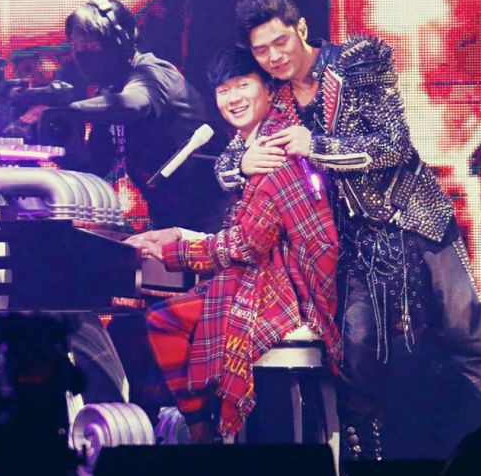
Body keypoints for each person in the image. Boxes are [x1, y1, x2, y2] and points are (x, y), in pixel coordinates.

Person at [215, 0, 481, 460]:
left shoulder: (357, 63)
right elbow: (227, 162)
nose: (274, 57)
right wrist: (242, 162)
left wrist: (316, 146)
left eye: (280, 42)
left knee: (468, 333)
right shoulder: (275, 99)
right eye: (261, 51)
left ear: (300, 29)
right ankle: (366, 470)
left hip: (413, 218)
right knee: (356, 353)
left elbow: (392, 146)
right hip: (353, 245)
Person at [125, 45, 341, 441]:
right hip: (269, 275)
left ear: (269, 89)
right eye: (224, 90)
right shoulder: (249, 148)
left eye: (243, 85)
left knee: (163, 320)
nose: (233, 98)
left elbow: (246, 246)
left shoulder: (275, 150)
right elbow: (250, 235)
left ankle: (203, 435)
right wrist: (179, 236)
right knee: (172, 316)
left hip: (287, 291)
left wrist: (174, 252)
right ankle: (204, 428)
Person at [59, 0, 209, 230]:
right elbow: (96, 166)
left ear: (120, 41)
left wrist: (75, 111)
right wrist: (61, 145)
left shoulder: (153, 72)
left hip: (209, 218)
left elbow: (134, 104)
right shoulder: (110, 90)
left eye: (89, 45)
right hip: (167, 219)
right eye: (76, 46)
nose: (80, 54)